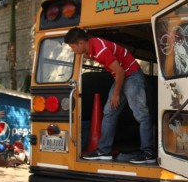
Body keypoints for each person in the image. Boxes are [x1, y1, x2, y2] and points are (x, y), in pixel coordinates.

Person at [64, 27, 154, 164]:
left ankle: (148, 152)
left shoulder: (100, 50)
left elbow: (120, 72)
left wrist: (116, 94)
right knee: (109, 112)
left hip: (131, 75)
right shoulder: (91, 47)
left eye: (72, 46)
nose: (72, 50)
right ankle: (103, 150)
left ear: (81, 43)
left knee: (141, 113)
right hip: (121, 76)